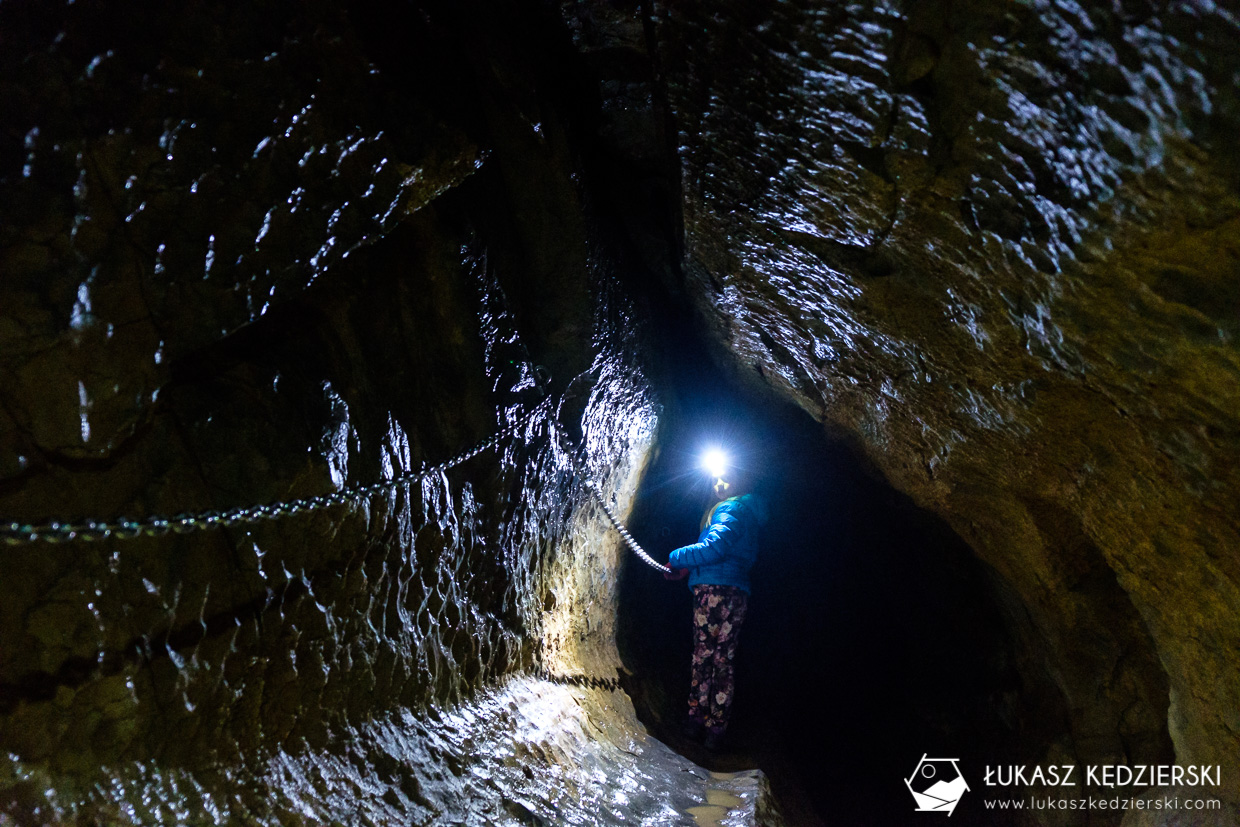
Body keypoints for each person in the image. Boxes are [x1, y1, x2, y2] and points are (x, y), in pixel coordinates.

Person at [665, 465, 768, 751]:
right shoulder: (749, 511)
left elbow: (716, 546)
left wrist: (676, 557)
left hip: (713, 593)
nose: (720, 484)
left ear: (741, 480)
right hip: (736, 593)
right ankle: (716, 730)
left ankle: (695, 721)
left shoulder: (730, 508)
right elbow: (727, 551)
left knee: (704, 658)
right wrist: (689, 569)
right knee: (723, 661)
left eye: (726, 478)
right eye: (715, 480)